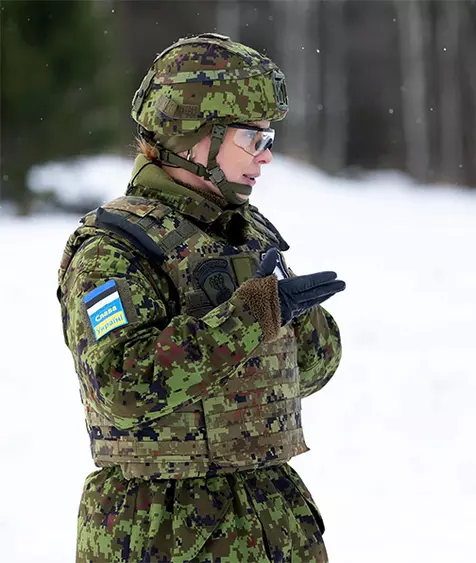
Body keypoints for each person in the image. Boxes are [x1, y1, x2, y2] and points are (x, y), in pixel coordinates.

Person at [57, 33, 346, 562]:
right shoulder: (112, 250)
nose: (267, 157)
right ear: (193, 136)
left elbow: (311, 370)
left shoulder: (246, 233)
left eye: (270, 138)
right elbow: (122, 389)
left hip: (271, 514)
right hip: (162, 527)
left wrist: (298, 320)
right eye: (252, 139)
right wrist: (252, 318)